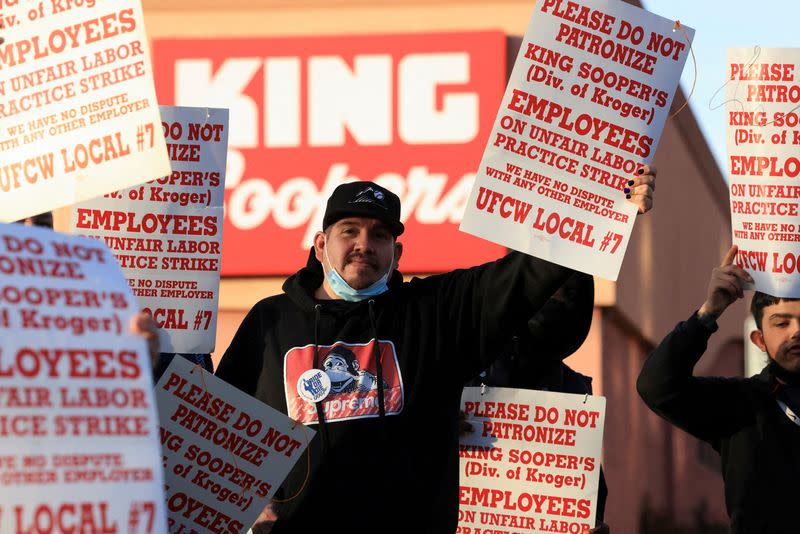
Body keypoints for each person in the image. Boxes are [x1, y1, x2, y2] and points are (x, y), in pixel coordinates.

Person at [217, 171, 654, 532]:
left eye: (380, 234)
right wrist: (247, 506)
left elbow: (528, 272)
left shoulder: (436, 312)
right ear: (319, 245)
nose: (364, 244)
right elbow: (219, 426)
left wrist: (607, 206)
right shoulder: (269, 322)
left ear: (397, 251)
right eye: (349, 230)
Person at [636, 245, 800, 533]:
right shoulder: (739, 404)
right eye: (782, 323)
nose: (795, 332)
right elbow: (657, 386)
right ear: (759, 340)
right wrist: (708, 313)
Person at [466, 272, 610, 533]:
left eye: (571, 295)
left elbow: (589, 493)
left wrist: (592, 522)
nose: (558, 300)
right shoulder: (462, 375)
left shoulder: (574, 392)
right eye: (550, 288)